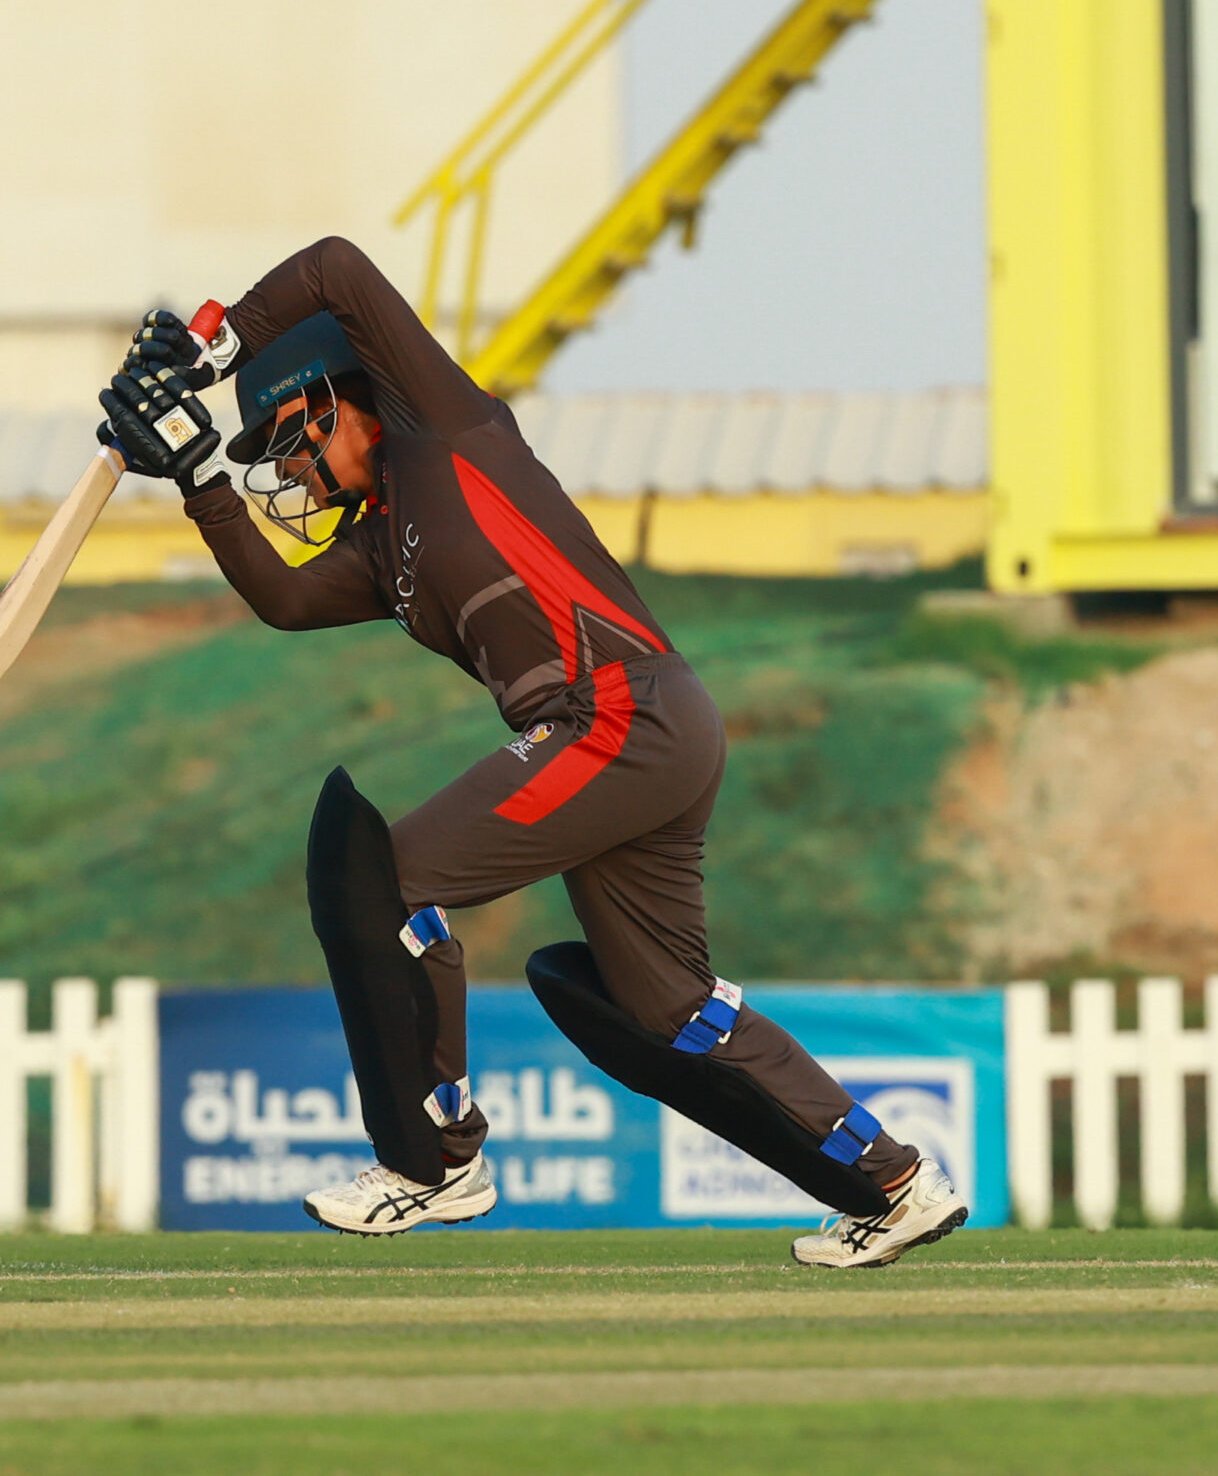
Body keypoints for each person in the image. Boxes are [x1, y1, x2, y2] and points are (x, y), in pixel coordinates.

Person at [98, 236, 965, 1268]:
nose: (283, 473)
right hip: (637, 733)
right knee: (662, 1008)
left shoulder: (442, 429)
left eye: (287, 441)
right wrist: (198, 477)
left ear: (340, 397)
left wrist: (218, 348)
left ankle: (433, 1164)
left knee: (383, 882)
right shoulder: (379, 544)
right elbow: (284, 600)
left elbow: (333, 267)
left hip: (621, 717)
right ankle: (892, 1186)